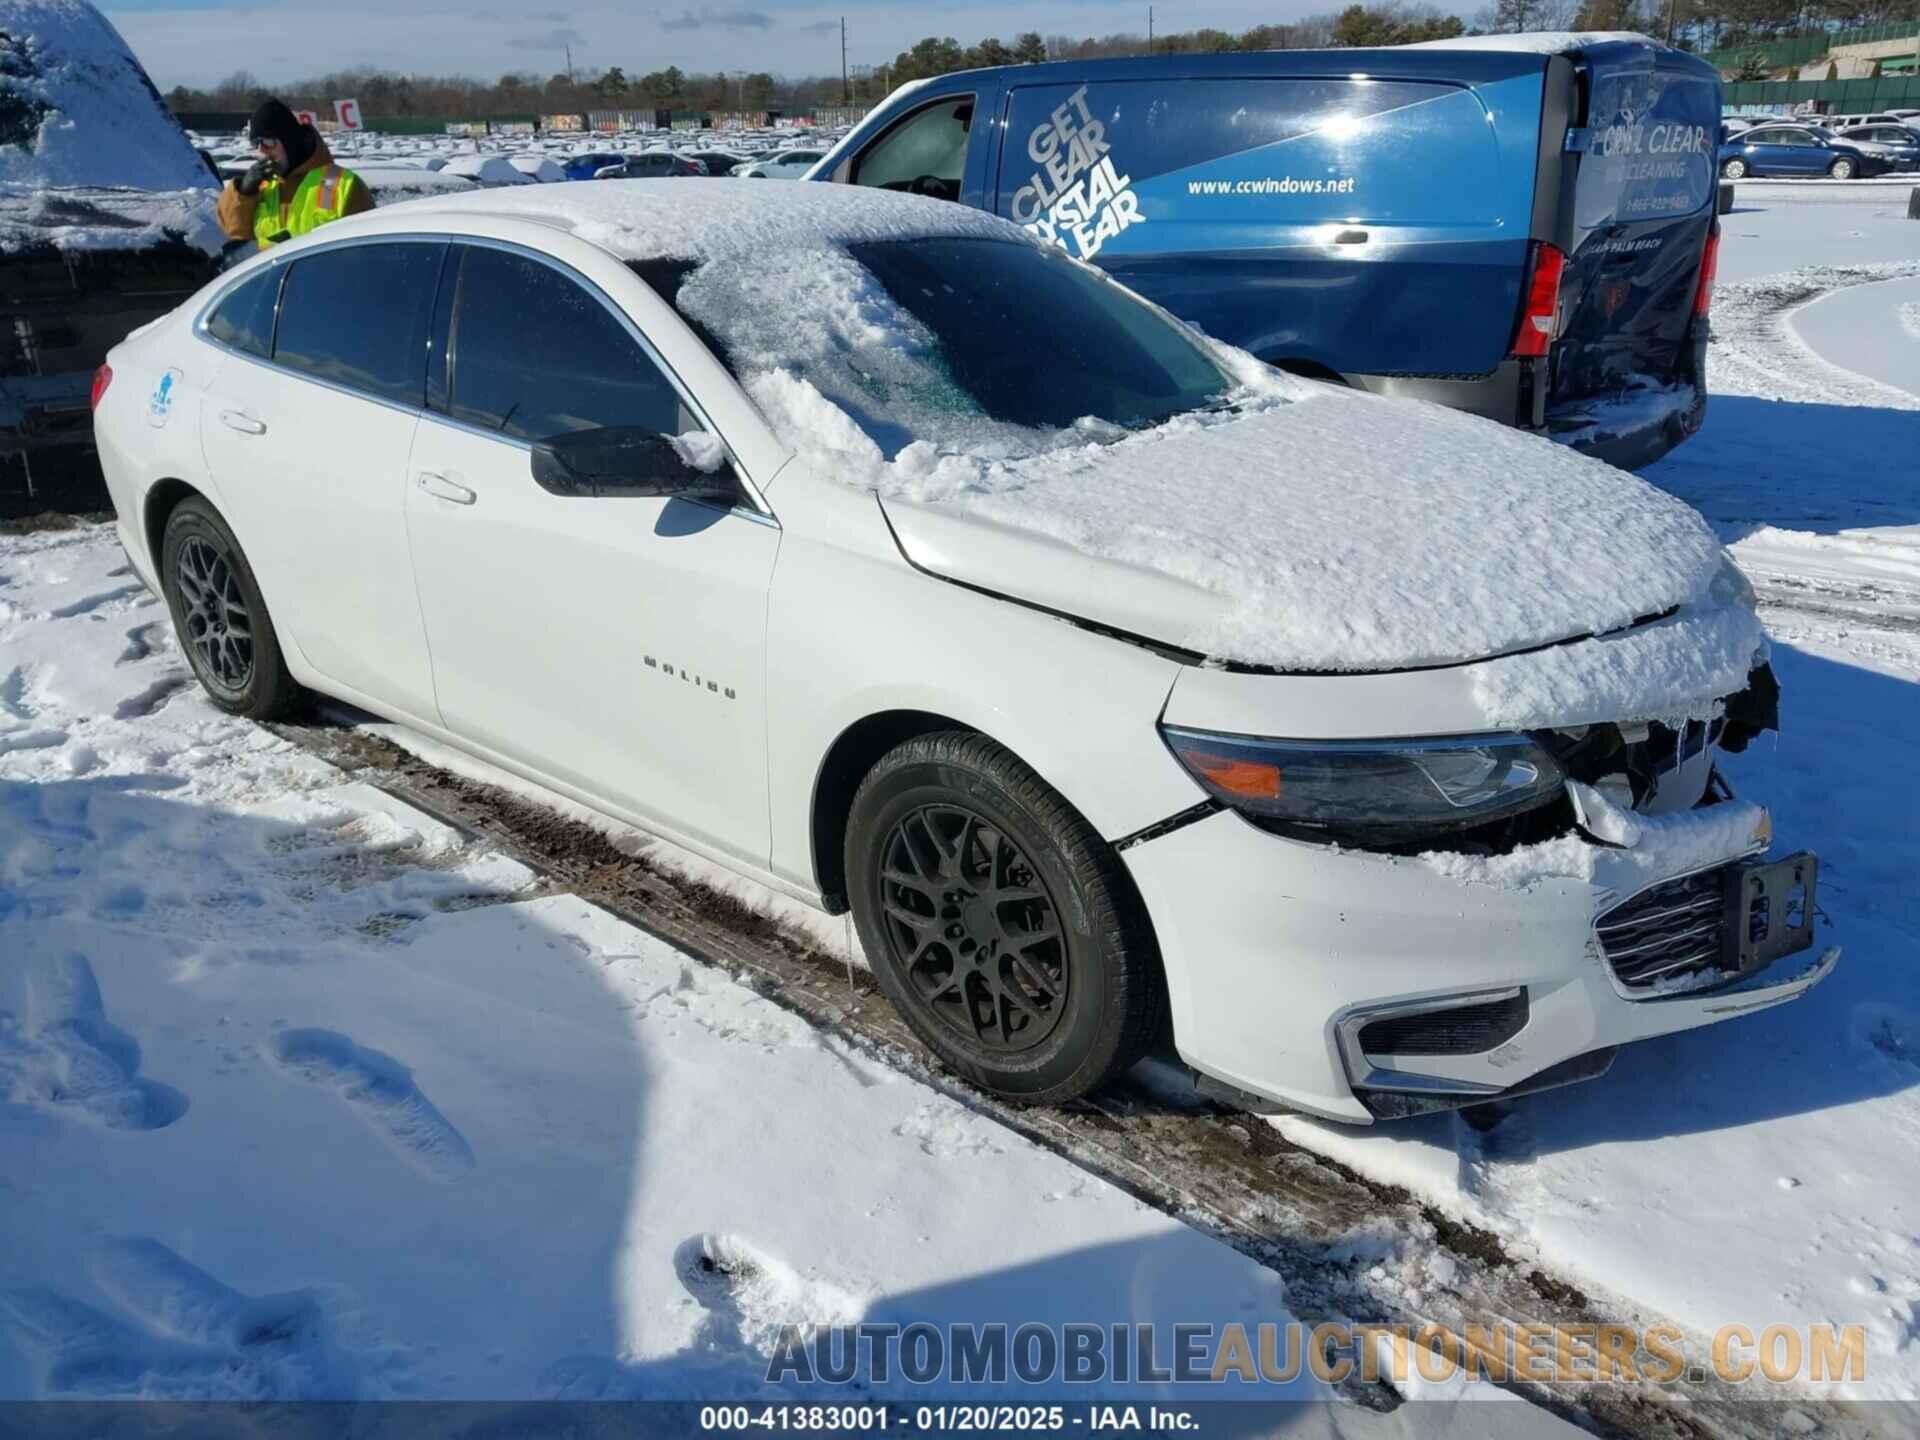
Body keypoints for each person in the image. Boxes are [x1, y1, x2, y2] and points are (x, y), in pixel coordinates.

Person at [218, 99, 373, 251]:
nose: (262, 150)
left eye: (268, 141)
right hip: (272, 275)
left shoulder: (331, 181)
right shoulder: (263, 186)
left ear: (289, 141)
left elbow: (365, 250)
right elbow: (237, 241)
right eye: (255, 143)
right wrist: (244, 193)